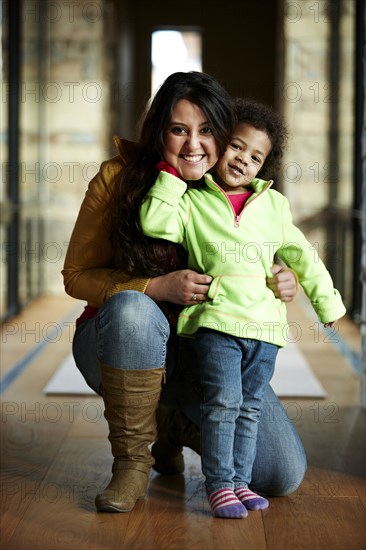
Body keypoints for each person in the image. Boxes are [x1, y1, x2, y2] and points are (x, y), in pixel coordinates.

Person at [62, 72, 304, 515]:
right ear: (160, 130)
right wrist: (153, 287)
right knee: (136, 310)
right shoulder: (117, 179)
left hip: (211, 350)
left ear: (226, 134)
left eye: (208, 130)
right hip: (118, 340)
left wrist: (277, 274)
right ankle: (132, 462)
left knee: (281, 472)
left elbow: (271, 248)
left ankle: (173, 425)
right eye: (179, 130)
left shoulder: (242, 189)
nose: (194, 145)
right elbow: (76, 275)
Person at [140, 97, 346, 518]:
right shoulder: (193, 200)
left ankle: (238, 481)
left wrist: (327, 302)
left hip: (265, 329)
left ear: (264, 166)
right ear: (219, 144)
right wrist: (172, 177)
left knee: (249, 407)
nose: (243, 160)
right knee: (223, 405)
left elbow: (303, 254)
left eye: (255, 156)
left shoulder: (275, 206)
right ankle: (218, 486)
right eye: (236, 147)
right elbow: (155, 223)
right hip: (216, 323)